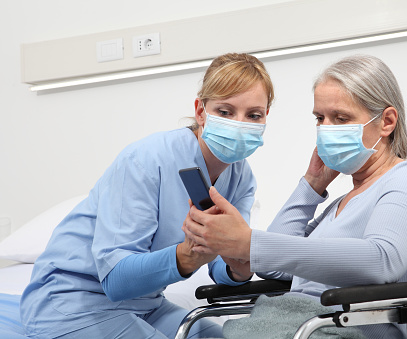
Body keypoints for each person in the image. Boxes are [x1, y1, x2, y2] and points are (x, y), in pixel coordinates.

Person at [183, 54, 407, 339]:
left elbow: (382, 260)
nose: (326, 129)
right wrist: (310, 186)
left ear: (386, 122)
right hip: (297, 324)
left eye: (341, 118)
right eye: (320, 118)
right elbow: (272, 266)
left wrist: (250, 242)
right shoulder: (341, 203)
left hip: (347, 328)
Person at [20, 52, 274, 339]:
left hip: (147, 304)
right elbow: (115, 280)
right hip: (74, 302)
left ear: (266, 118)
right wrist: (184, 257)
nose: (239, 124)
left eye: (253, 115)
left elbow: (221, 263)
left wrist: (239, 267)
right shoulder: (145, 160)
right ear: (201, 111)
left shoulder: (242, 177)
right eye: (225, 112)